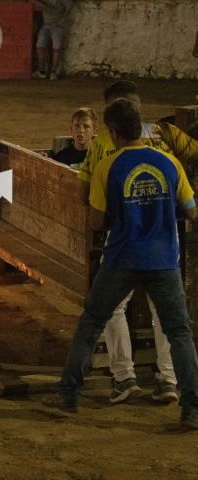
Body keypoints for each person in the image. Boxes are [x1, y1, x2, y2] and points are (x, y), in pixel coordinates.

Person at [42, 98, 198, 430]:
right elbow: (191, 210)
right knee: (179, 333)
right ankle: (192, 409)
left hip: (122, 258)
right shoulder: (169, 162)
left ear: (112, 133)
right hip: (164, 260)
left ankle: (68, 396)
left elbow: (97, 220)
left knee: (91, 323)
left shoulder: (106, 167)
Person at [78, 81, 180, 405]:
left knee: (112, 307)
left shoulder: (101, 147)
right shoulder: (162, 140)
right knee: (162, 309)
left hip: (124, 237)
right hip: (163, 236)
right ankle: (168, 379)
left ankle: (125, 377)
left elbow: (85, 198)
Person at [29, 0, 74, 81]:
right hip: (46, 24)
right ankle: (44, 71)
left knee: (56, 48)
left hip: (56, 25)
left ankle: (51, 72)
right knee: (40, 47)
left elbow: (46, 7)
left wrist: (64, 18)